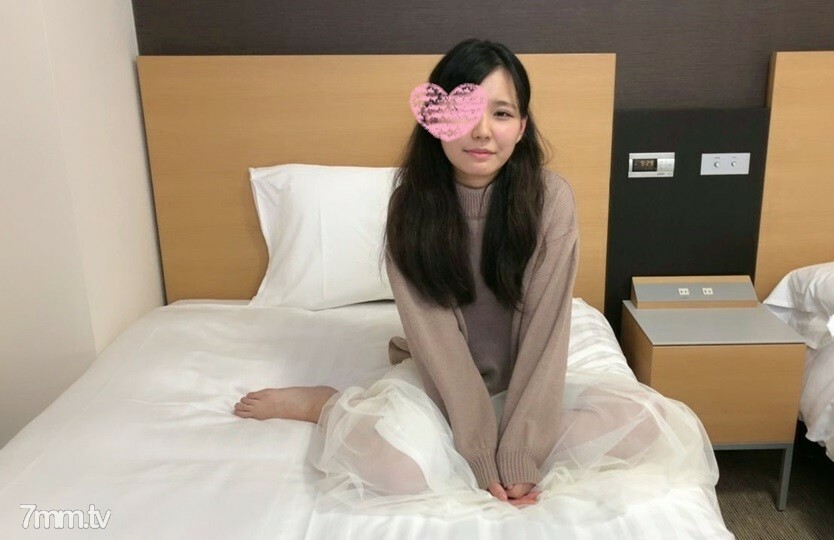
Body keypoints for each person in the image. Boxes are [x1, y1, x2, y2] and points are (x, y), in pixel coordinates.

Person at [234, 38, 716, 517]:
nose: (482, 131)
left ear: (522, 127)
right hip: (444, 386)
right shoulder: (410, 208)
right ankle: (328, 406)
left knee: (649, 427)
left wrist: (522, 452)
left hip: (527, 384)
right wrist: (482, 456)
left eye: (501, 113)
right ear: (434, 122)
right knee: (397, 471)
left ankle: (504, 441)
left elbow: (545, 332)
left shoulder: (550, 200)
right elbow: (437, 339)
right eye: (462, 112)